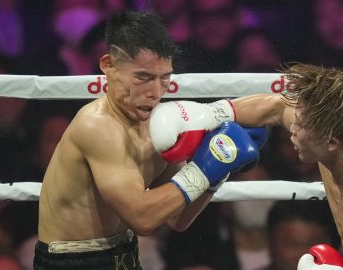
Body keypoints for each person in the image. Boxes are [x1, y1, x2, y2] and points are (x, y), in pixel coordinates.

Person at [151, 63, 343, 269]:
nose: (290, 130)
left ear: (332, 142)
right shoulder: (328, 128)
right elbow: (277, 106)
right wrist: (209, 115)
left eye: (300, 126)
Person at [35, 10, 263, 269]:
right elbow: (142, 219)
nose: (155, 92)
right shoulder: (97, 125)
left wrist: (219, 167)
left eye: (164, 78)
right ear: (109, 65)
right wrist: (204, 168)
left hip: (125, 252)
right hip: (73, 260)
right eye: (143, 77)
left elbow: (178, 218)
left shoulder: (157, 124)